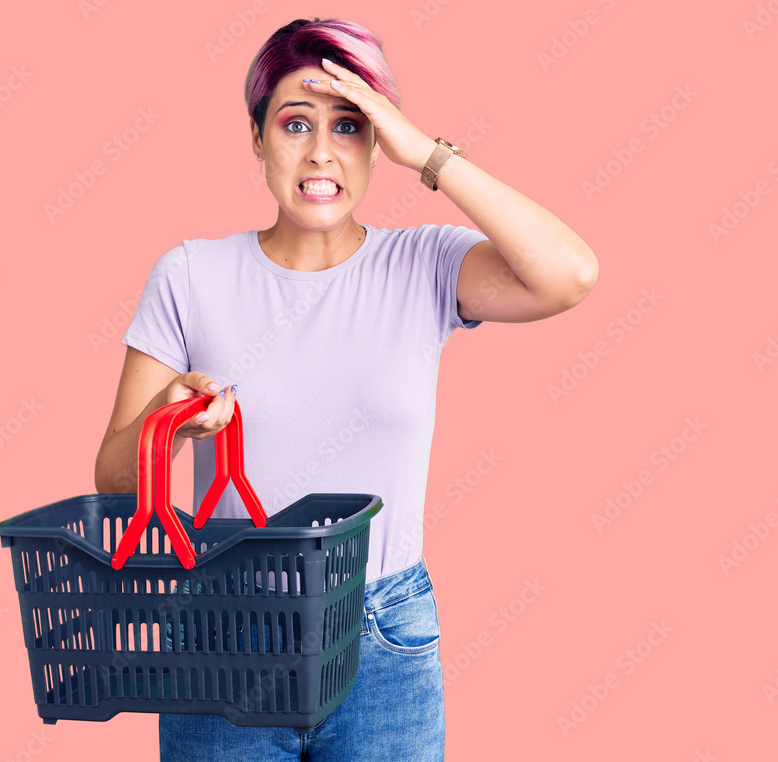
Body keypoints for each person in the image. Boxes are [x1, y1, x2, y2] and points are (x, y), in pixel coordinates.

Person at [95, 16, 598, 761]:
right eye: (296, 124)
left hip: (382, 636)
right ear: (258, 138)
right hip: (224, 632)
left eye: (351, 125)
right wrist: (168, 421)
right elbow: (112, 481)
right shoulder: (192, 275)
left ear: (377, 143)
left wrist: (427, 153)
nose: (322, 151)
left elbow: (570, 275)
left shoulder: (424, 265)